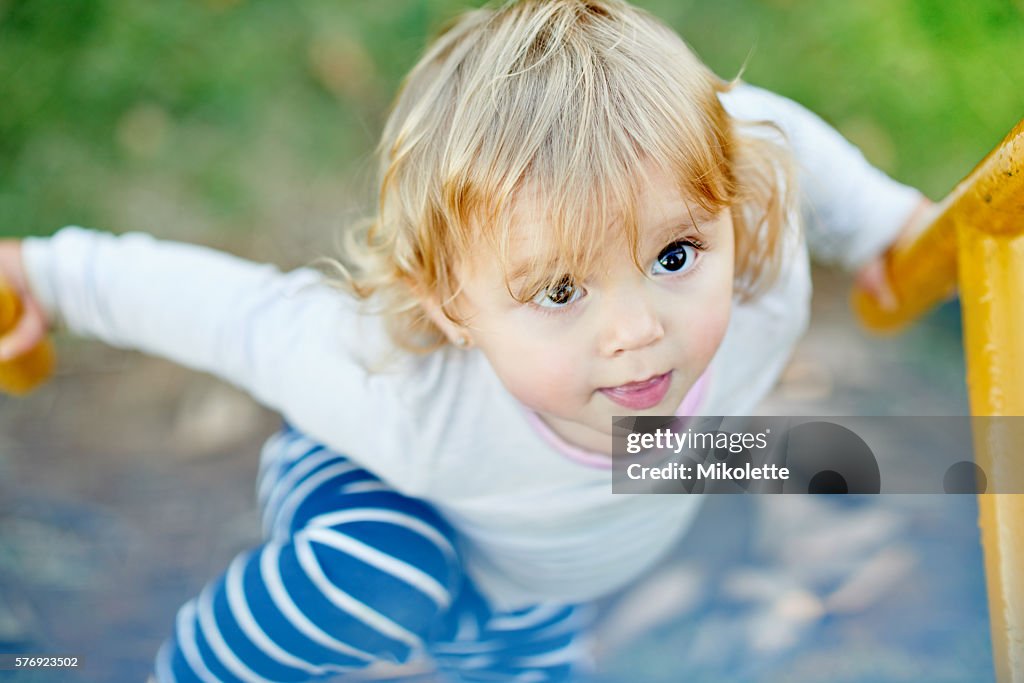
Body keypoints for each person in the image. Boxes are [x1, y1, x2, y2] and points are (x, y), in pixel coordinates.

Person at [0, 0, 930, 680]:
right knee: (391, 573)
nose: (640, 331)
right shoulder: (406, 395)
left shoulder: (756, 266)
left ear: (731, 205)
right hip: (378, 484)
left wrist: (885, 220)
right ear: (453, 304)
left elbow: (764, 130)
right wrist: (47, 275)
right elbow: (238, 315)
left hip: (530, 586)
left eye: (676, 253)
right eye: (560, 288)